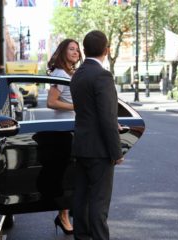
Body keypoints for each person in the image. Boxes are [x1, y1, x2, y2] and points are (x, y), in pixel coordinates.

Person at [70, 30, 124, 240]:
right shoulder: (102, 75)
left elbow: (86, 110)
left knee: (81, 199)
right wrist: (116, 152)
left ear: (83, 50)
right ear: (107, 50)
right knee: (99, 203)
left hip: (81, 145)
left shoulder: (78, 74)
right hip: (99, 150)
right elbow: (107, 118)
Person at [46, 38, 82, 235]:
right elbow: (51, 102)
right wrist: (77, 107)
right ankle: (63, 215)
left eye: (77, 49)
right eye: (71, 49)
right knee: (68, 173)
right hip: (63, 129)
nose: (76, 52)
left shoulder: (72, 73)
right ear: (63, 52)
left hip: (73, 127)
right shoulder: (60, 73)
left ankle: (67, 212)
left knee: (73, 172)